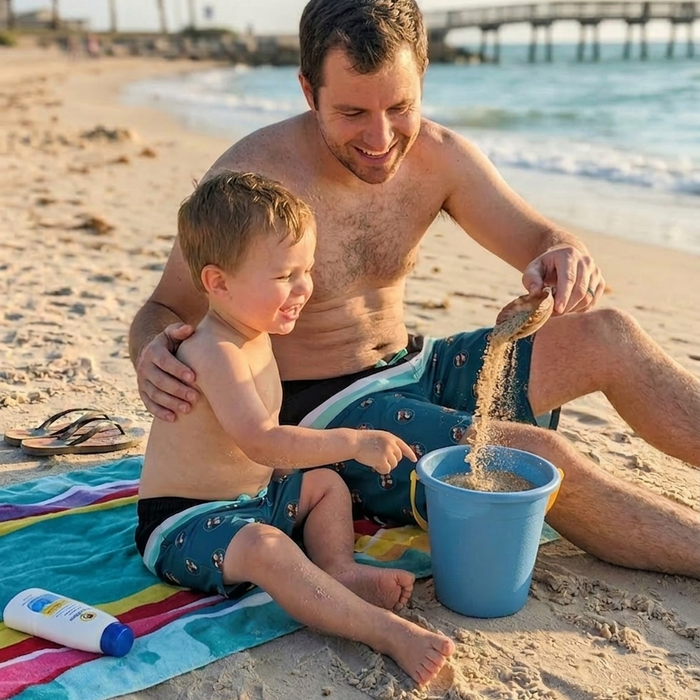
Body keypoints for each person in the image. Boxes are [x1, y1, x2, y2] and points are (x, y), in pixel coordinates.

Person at [130, 0, 700, 580]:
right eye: (352, 111)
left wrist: (563, 254)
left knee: (609, 334)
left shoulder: (438, 156)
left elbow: (539, 238)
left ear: (422, 77)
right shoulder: (254, 183)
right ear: (308, 91)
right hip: (325, 413)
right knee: (532, 456)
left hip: (417, 365)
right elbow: (165, 307)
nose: (380, 137)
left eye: (400, 106)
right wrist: (153, 352)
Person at [135, 171, 455, 686]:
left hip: (252, 497)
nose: (304, 287)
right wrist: (352, 440)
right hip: (185, 523)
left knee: (325, 483)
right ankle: (383, 631)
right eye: (286, 275)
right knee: (268, 548)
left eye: (305, 269)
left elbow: (270, 456)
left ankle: (339, 570)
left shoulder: (256, 331)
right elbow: (261, 439)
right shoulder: (215, 351)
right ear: (218, 283)